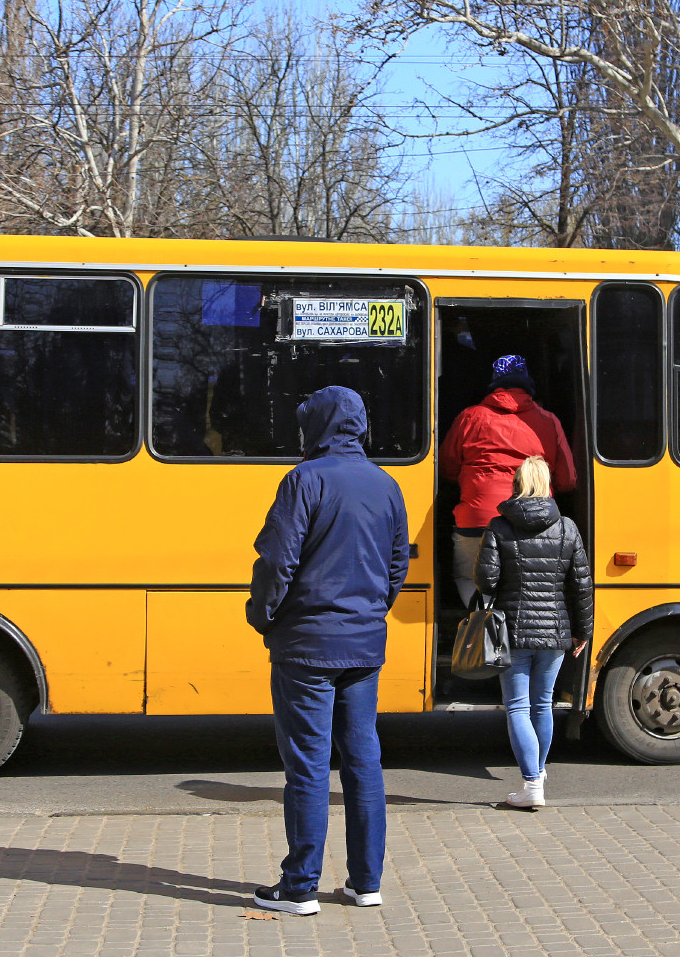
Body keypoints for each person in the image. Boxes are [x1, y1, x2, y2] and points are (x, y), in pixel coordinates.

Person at [245, 385, 410, 916]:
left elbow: (277, 561)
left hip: (306, 646)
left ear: (315, 427)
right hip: (364, 645)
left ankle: (300, 887)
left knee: (308, 766)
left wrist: (262, 615)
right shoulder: (387, 485)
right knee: (364, 762)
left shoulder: (304, 479)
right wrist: (368, 614)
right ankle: (366, 883)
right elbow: (397, 566)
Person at [475, 456, 593, 809]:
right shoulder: (567, 527)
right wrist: (582, 631)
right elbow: (581, 586)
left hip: (512, 632)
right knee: (543, 705)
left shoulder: (499, 526)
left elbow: (486, 580)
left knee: (517, 707)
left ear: (517, 483)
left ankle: (531, 785)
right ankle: (537, 778)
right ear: (547, 485)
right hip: (555, 631)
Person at [438, 354, 576, 608]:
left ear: (494, 383)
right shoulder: (549, 421)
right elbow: (567, 480)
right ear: (527, 383)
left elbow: (446, 469)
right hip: (533, 521)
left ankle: (485, 622)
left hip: (476, 518)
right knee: (525, 587)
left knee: (468, 577)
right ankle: (510, 627)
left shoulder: (469, 417)